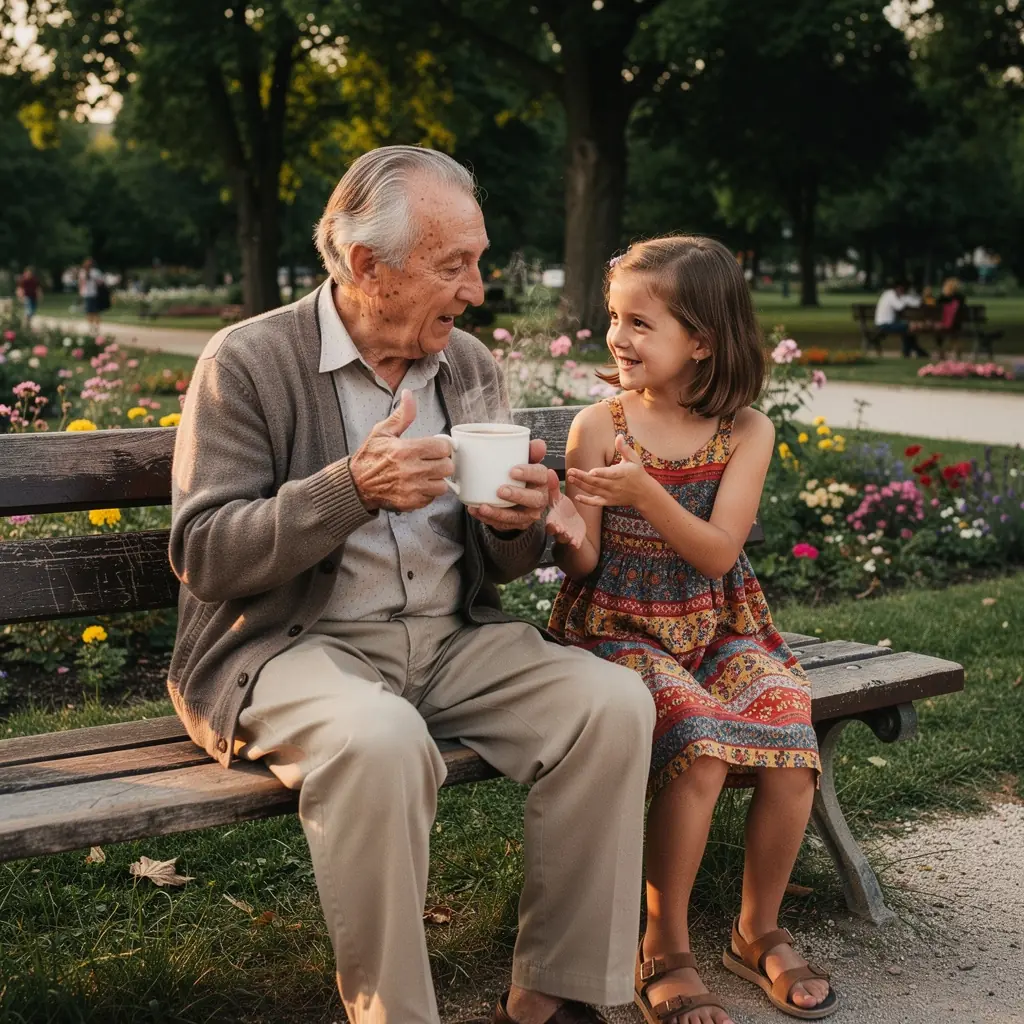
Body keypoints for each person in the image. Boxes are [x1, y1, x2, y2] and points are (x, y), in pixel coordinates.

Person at [168, 145, 655, 1024]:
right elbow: (206, 553)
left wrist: (517, 523)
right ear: (367, 266)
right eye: (453, 265)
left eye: (478, 258)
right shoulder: (247, 362)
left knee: (611, 705)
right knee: (381, 739)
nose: (476, 288)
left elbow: (497, 561)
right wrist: (349, 489)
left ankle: (559, 995)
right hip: (290, 649)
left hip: (449, 637)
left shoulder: (464, 364)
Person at [544, 236, 838, 1024]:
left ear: (701, 339)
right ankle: (663, 945)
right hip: (619, 632)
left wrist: (644, 492)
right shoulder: (598, 425)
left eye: (641, 322)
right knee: (700, 746)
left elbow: (716, 554)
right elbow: (584, 562)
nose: (617, 337)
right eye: (614, 318)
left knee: (790, 732)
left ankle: (756, 929)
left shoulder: (746, 431)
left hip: (714, 625)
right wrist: (562, 520)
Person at [874, 280, 928, 358]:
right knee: (910, 327)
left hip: (887, 324)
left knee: (908, 328)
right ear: (899, 287)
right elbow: (900, 306)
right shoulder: (890, 294)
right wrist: (906, 299)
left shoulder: (889, 294)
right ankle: (914, 352)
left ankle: (910, 352)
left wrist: (905, 299)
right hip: (884, 325)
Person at [78, 257, 104, 331]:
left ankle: (96, 326)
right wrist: (80, 292)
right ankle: (91, 326)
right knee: (88, 311)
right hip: (87, 294)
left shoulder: (95, 272)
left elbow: (101, 282)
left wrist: (96, 282)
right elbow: (81, 283)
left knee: (96, 311)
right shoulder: (82, 272)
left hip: (95, 294)